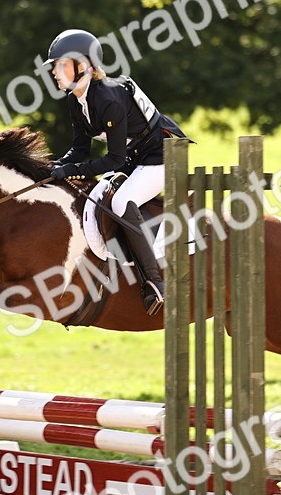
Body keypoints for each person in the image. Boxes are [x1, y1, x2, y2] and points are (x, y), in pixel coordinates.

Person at [44, 28, 189, 316]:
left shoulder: (108, 99)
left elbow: (113, 158)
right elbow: (79, 151)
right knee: (92, 195)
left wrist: (73, 169)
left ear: (83, 66)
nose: (55, 73)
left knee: (122, 202)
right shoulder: (76, 99)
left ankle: (156, 282)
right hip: (135, 159)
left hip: (163, 156)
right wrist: (54, 168)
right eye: (55, 67)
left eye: (61, 66)